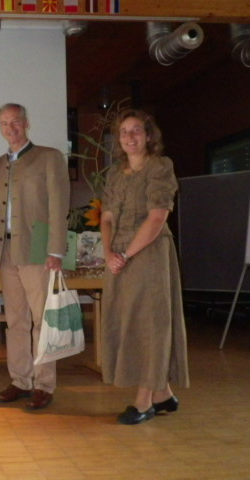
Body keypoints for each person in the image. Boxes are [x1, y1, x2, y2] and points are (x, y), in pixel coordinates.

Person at [100, 109, 189, 425]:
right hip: (118, 257)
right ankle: (162, 394)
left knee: (151, 325)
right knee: (128, 323)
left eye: (136, 130)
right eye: (124, 131)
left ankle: (144, 402)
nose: (130, 136)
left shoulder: (160, 166)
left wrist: (125, 254)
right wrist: (109, 252)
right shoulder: (115, 173)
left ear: (149, 135)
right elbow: (106, 217)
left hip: (149, 254)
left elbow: (156, 218)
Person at [0, 103, 70, 410]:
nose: (11, 128)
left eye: (16, 122)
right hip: (7, 251)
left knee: (42, 320)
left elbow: (59, 205)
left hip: (38, 249)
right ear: (0, 128)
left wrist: (55, 250)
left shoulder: (49, 157)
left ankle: (44, 384)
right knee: (16, 320)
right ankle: (20, 380)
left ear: (26, 123)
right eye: (5, 123)